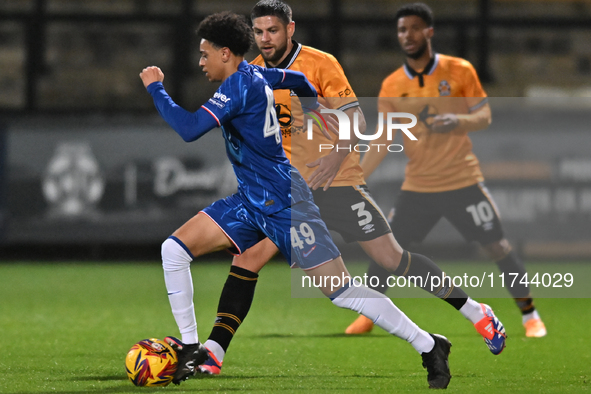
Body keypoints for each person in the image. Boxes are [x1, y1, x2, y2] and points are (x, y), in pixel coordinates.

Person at [140, 11, 452, 389]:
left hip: (287, 205)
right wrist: (317, 110)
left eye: (205, 54)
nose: (200, 62)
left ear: (226, 53)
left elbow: (189, 129)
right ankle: (192, 346)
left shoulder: (238, 86)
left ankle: (429, 344)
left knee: (341, 291)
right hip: (252, 200)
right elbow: (299, 80)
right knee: (174, 250)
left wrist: (156, 87)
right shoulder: (257, 74)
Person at [196, 0, 505, 380]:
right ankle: (213, 352)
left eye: (272, 31)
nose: (265, 39)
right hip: (287, 194)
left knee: (392, 259)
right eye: (258, 32)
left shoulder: (320, 64)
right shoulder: (251, 73)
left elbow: (355, 118)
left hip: (335, 182)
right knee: (247, 259)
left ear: (290, 29)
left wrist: (332, 158)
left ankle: (476, 311)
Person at [345, 2, 546, 339]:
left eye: (413, 28)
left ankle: (530, 316)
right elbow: (382, 138)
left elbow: (483, 116)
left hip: (462, 181)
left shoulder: (460, 70)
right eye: (401, 30)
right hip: (418, 186)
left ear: (429, 32)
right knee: (387, 249)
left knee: (497, 247)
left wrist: (458, 120)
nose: (407, 35)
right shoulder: (392, 85)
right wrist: (357, 176)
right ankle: (370, 315)